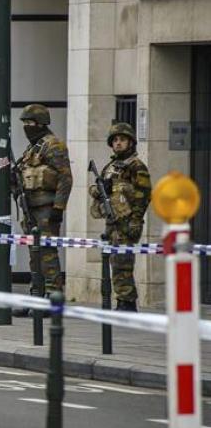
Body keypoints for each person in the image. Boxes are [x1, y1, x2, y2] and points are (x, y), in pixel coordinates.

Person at [6, 104, 73, 315]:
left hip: (47, 208)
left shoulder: (53, 146)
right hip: (31, 208)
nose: (27, 127)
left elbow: (65, 178)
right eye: (25, 124)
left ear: (41, 124)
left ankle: (54, 300)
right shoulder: (31, 149)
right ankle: (36, 296)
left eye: (30, 123)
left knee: (47, 254)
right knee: (34, 255)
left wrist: (58, 208)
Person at [89, 122, 151, 311]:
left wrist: (136, 220)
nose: (118, 143)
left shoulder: (136, 166)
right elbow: (97, 190)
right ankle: (122, 301)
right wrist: (100, 190)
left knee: (123, 263)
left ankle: (127, 302)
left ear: (130, 142)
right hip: (112, 221)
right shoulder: (111, 166)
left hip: (127, 221)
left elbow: (143, 195)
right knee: (115, 263)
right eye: (115, 140)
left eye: (122, 140)